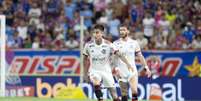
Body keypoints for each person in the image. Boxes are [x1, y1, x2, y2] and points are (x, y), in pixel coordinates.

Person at [83, 24, 133, 101]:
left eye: (97, 32)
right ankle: (100, 98)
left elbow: (120, 55)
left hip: (106, 71)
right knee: (96, 83)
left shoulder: (109, 44)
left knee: (114, 96)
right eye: (94, 33)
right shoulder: (88, 45)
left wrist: (128, 64)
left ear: (102, 33)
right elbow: (84, 59)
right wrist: (85, 73)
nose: (95, 35)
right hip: (94, 70)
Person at [113, 25, 151, 101]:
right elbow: (114, 58)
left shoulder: (134, 43)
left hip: (132, 71)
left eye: (123, 30)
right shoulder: (115, 43)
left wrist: (146, 68)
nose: (122, 32)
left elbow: (140, 56)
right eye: (120, 30)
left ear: (128, 31)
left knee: (134, 91)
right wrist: (116, 69)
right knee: (124, 94)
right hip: (121, 71)